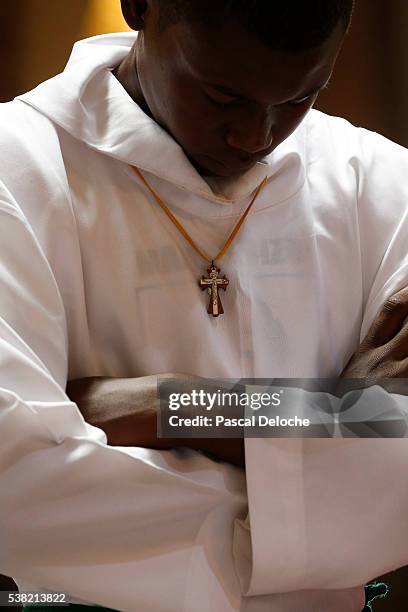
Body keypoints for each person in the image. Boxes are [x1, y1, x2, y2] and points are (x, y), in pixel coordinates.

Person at [0, 0, 407, 610]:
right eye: (222, 97)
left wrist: (180, 405)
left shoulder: (383, 184)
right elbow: (16, 481)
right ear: (139, 8)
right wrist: (343, 427)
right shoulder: (17, 166)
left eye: (299, 98)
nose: (256, 136)